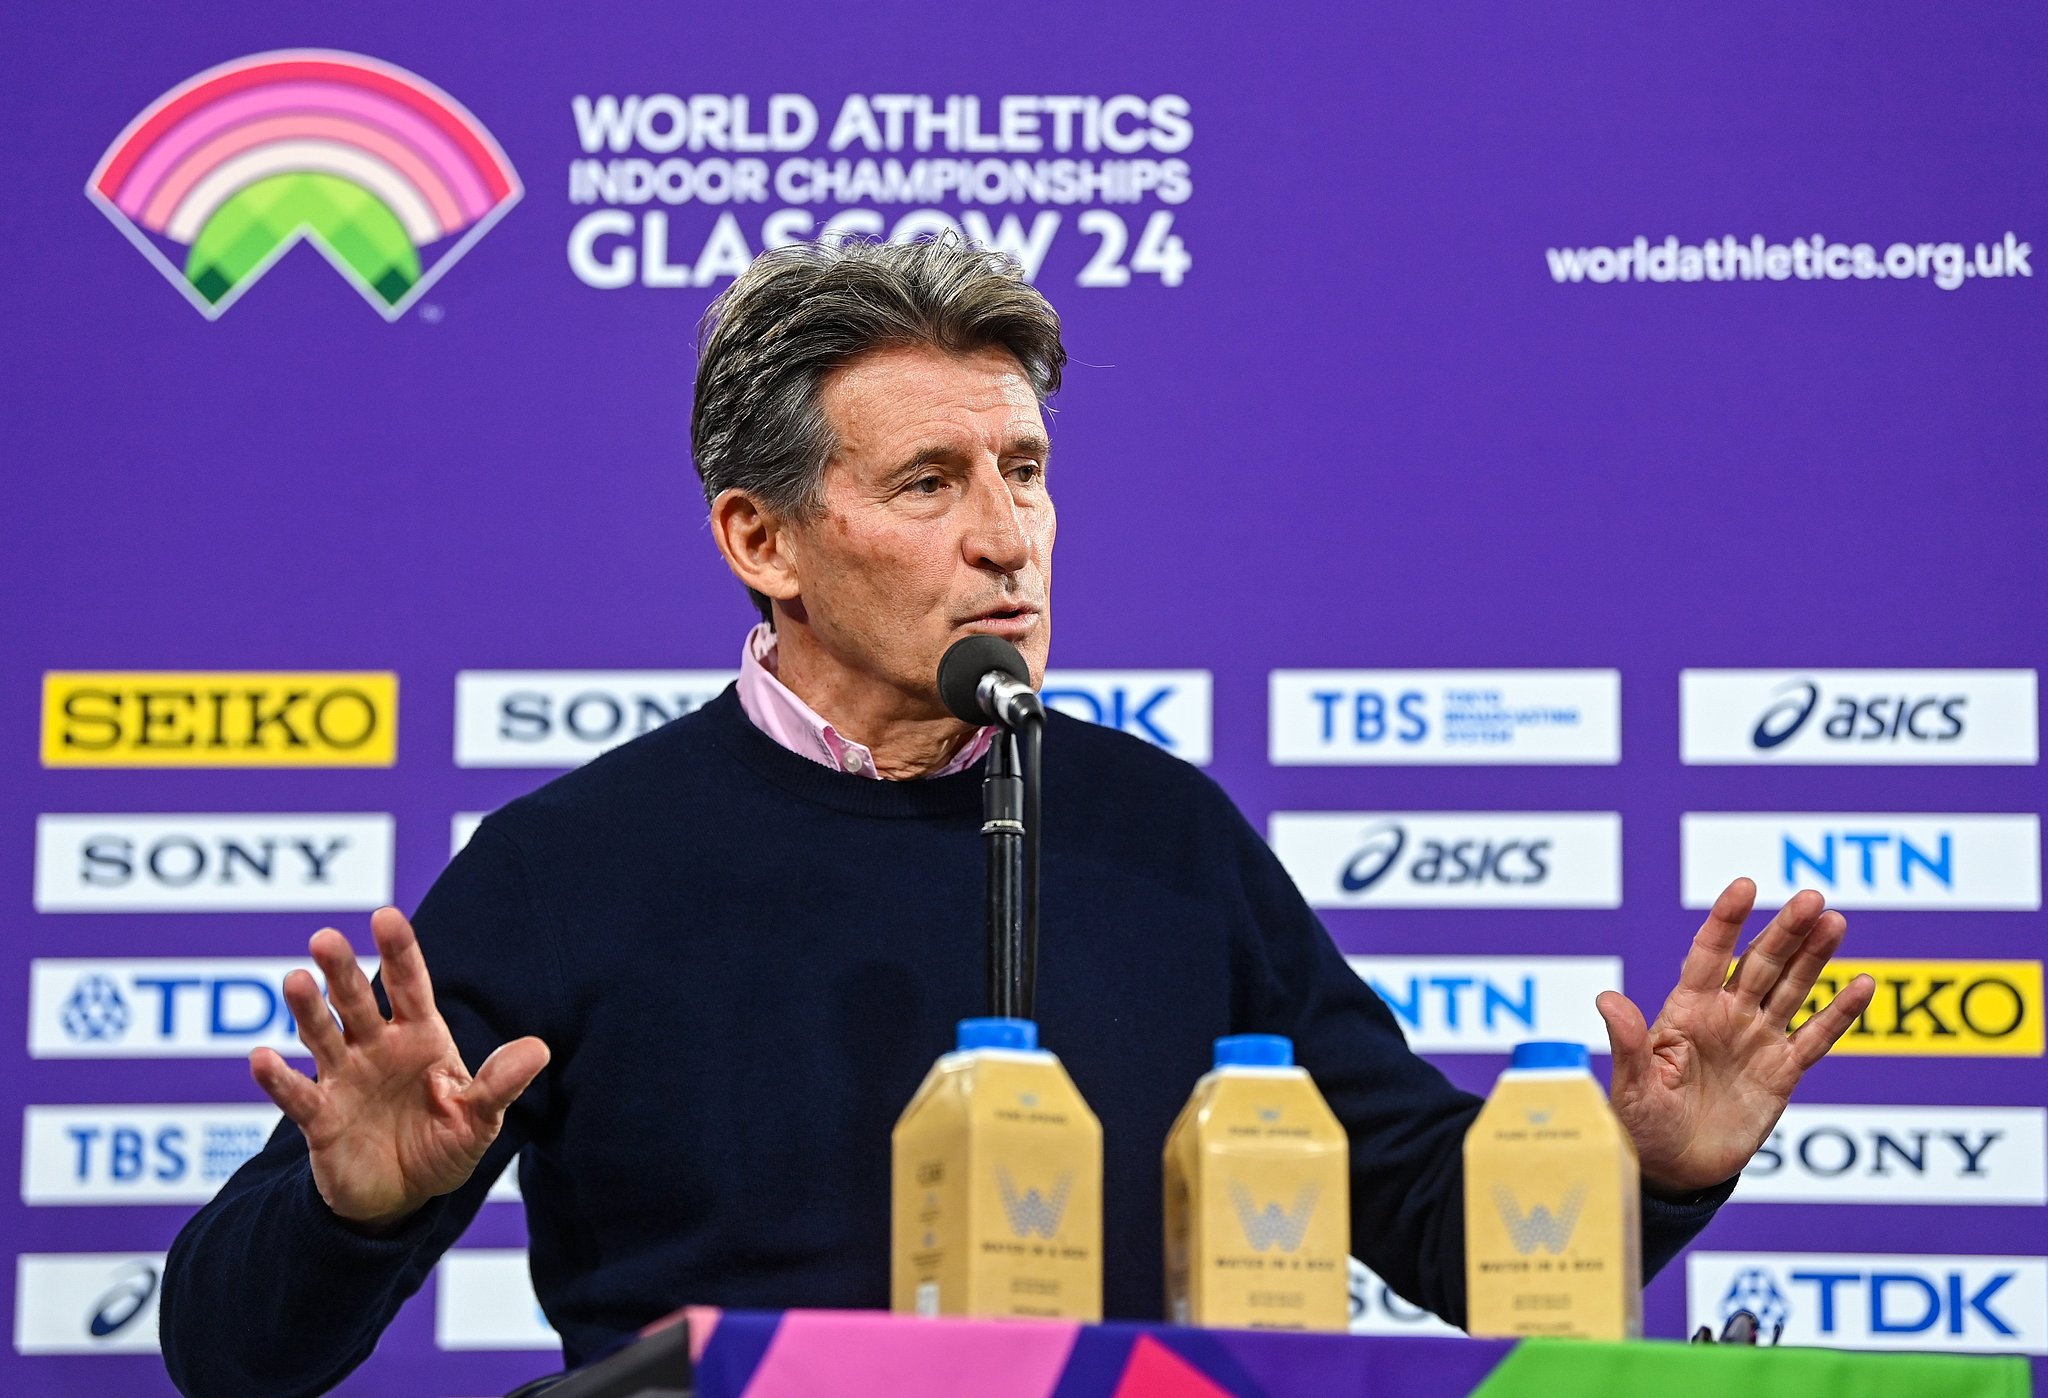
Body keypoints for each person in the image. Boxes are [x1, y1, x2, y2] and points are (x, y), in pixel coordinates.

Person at [160, 236, 1876, 1397]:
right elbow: (229, 1353)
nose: (1009, 534)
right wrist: (361, 1205)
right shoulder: (571, 867)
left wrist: (1646, 1175)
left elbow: (1432, 1215)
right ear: (762, 542)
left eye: (1027, 470)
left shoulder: (1160, 836)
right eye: (931, 482)